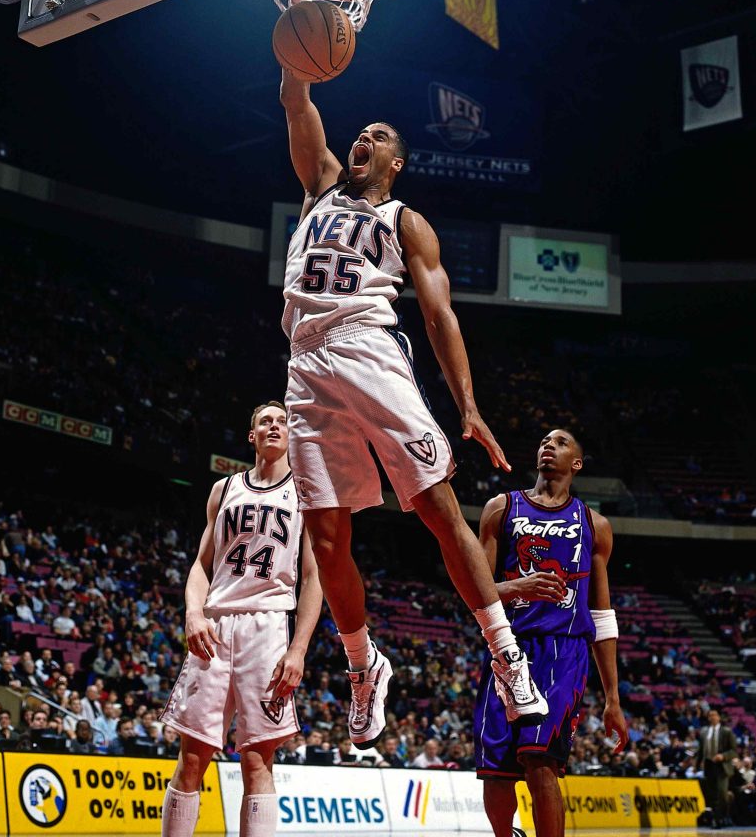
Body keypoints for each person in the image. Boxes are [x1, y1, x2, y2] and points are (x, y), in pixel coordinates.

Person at [278, 70, 547, 750]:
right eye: (360, 133)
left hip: (371, 352)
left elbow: (438, 314)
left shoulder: (405, 221)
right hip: (306, 365)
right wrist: (294, 42)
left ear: (395, 164)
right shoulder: (319, 188)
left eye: (378, 138)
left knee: (436, 508)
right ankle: (364, 667)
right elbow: (296, 99)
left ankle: (506, 655)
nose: (362, 138)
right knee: (327, 539)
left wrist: (468, 404)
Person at [160, 402, 322, 837]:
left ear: (292, 435)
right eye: (265, 421)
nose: (274, 425)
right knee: (192, 756)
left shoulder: (306, 492)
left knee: (256, 758)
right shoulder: (224, 489)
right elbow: (200, 565)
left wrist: (299, 649)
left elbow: (314, 577)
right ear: (252, 436)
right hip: (216, 623)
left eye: (283, 421)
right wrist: (194, 613)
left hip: (268, 626)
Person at [473, 428, 627, 837]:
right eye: (543, 440)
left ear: (576, 463)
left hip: (564, 651)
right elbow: (473, 588)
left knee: (539, 758)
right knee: (496, 771)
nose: (547, 445)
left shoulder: (595, 525)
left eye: (560, 442)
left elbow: (603, 614)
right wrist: (514, 588)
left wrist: (613, 699)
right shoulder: (501, 508)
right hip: (507, 646)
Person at [697, 709, 738, 829]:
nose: (712, 717)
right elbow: (701, 750)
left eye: (714, 715)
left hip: (722, 766)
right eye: (710, 715)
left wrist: (723, 756)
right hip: (709, 765)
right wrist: (697, 764)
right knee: (712, 795)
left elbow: (734, 751)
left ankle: (719, 818)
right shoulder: (704, 731)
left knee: (721, 794)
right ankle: (717, 818)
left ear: (719, 717)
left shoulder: (726, 731)